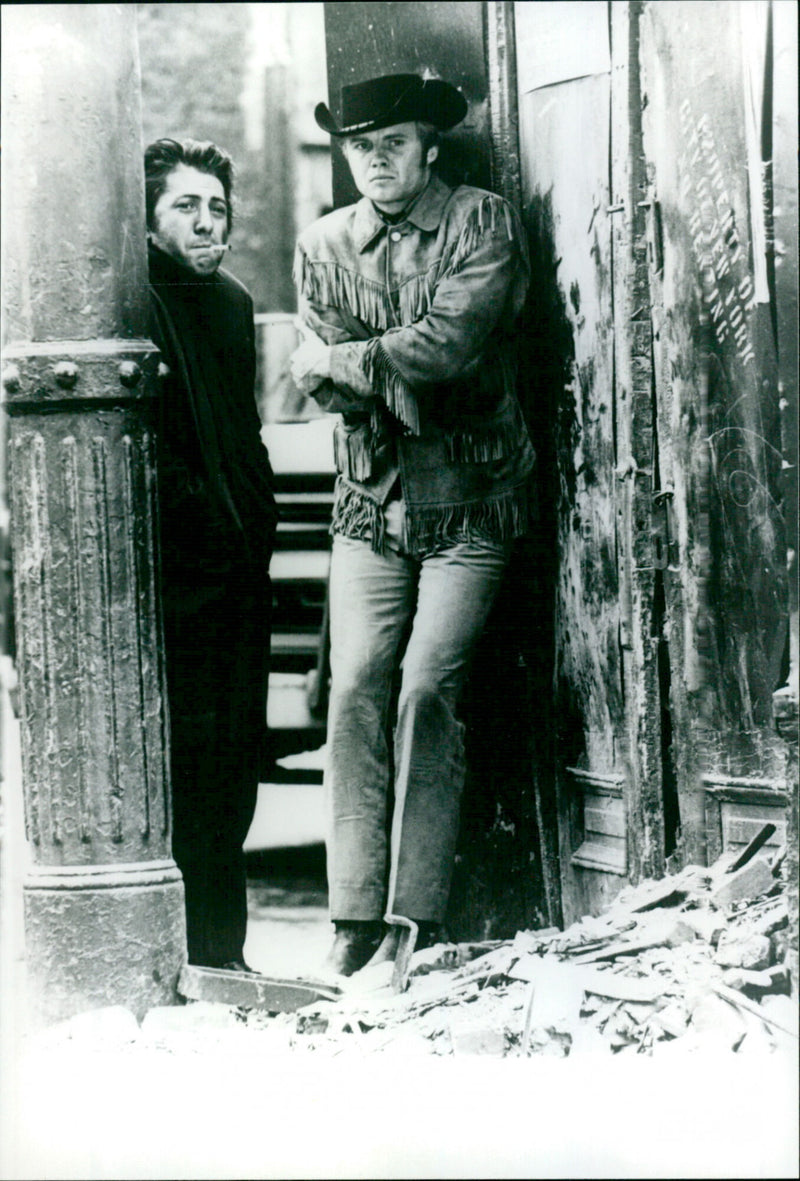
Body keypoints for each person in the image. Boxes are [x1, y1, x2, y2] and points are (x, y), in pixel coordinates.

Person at [290, 74, 535, 976]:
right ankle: (352, 917)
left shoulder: (481, 221)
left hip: (473, 496)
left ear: (429, 146)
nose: (376, 161)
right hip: (372, 502)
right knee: (355, 685)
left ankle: (412, 916)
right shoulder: (322, 244)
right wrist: (375, 369)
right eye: (360, 147)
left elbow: (450, 344)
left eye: (393, 143)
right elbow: (333, 385)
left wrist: (346, 360)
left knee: (428, 689)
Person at [144, 138, 277, 970]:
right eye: (185, 206)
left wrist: (253, 526)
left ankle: (225, 954)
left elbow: (245, 434)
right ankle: (184, 954)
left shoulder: (231, 303)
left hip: (236, 577)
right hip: (174, 581)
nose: (205, 222)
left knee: (234, 766)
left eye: (216, 207)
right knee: (186, 765)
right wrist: (207, 526)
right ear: (151, 218)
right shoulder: (131, 299)